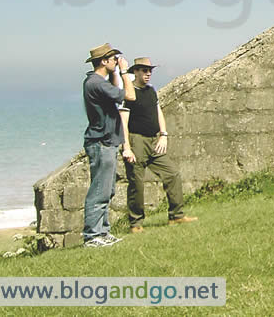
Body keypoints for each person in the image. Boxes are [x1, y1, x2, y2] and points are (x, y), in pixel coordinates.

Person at [120, 57, 197, 231]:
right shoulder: (129, 93)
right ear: (136, 72)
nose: (148, 74)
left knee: (172, 174)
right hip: (136, 141)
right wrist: (126, 147)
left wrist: (164, 134)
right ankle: (136, 224)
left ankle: (176, 215)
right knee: (137, 184)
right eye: (145, 71)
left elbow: (158, 111)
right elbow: (122, 122)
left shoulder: (151, 91)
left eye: (150, 71)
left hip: (154, 141)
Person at [82, 42, 136, 248]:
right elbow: (129, 96)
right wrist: (124, 71)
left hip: (106, 141)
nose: (116, 60)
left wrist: (115, 72)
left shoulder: (97, 82)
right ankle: (92, 236)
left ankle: (102, 232)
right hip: (101, 142)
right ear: (104, 61)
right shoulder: (96, 83)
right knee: (99, 190)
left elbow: (114, 91)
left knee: (107, 190)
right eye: (113, 58)